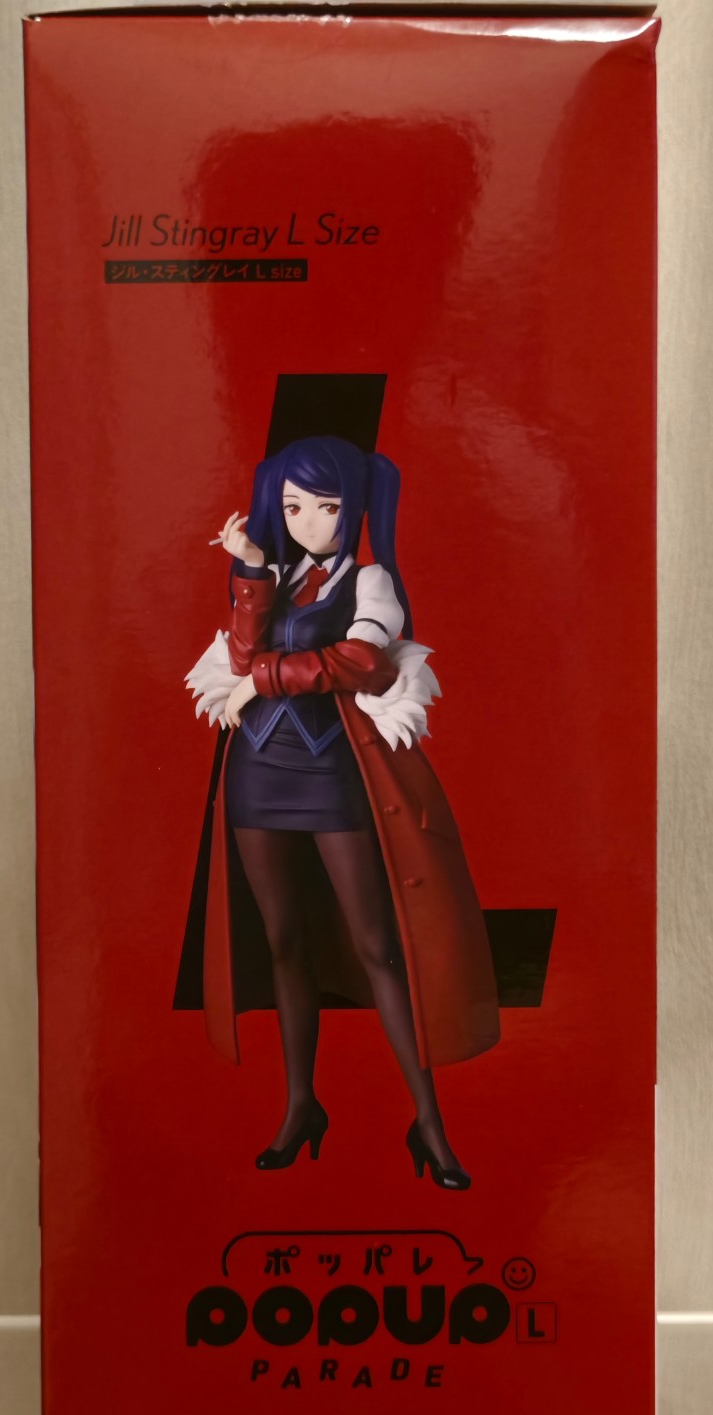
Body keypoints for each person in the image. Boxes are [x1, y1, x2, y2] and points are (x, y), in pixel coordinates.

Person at [186, 435, 499, 1188]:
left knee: (375, 944)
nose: (307, 521)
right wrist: (251, 574)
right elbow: (239, 658)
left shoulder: (370, 582)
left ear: (353, 507)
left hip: (329, 771)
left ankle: (429, 1122)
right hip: (258, 771)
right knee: (283, 939)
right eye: (293, 506)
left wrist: (262, 681)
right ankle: (301, 1107)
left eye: (325, 507)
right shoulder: (275, 574)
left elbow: (366, 664)